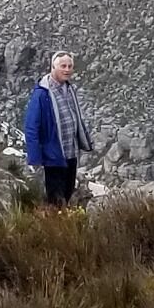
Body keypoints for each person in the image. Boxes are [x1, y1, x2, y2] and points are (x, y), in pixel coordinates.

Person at [21, 52, 97, 206]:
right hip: (53, 156)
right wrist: (35, 157)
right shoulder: (42, 94)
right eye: (63, 66)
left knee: (67, 192)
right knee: (56, 199)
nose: (67, 70)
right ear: (53, 67)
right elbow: (31, 126)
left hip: (70, 153)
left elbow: (76, 118)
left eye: (70, 66)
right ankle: (55, 226)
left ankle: (62, 224)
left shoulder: (69, 89)